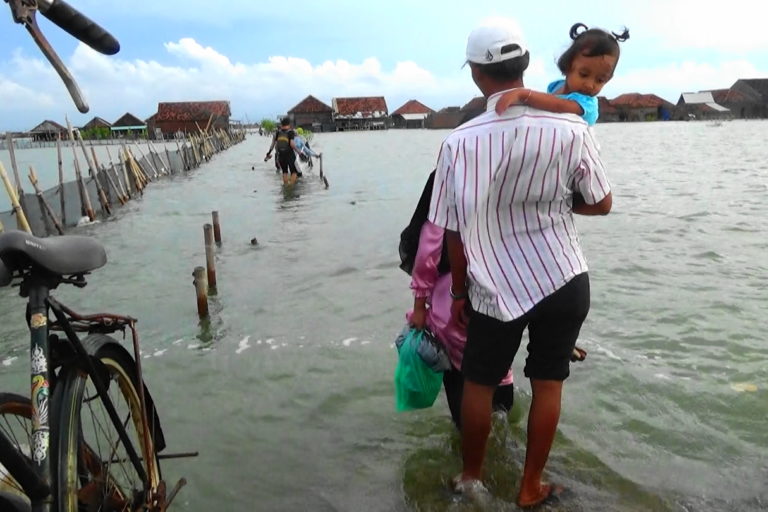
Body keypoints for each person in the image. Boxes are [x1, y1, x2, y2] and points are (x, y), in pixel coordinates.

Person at [428, 17, 611, 508]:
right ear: (527, 65)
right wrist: (551, 205)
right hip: (564, 278)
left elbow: (452, 232)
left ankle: (471, 477)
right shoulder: (573, 125)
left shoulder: (459, 142)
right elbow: (601, 202)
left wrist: (460, 292)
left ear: (475, 74)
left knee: (480, 383)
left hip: (495, 286)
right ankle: (530, 487)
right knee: (549, 381)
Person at [401, 170, 515, 429]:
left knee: (459, 375)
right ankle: (501, 429)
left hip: (450, 308)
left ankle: (467, 437)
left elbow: (425, 259)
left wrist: (419, 307)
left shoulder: (438, 216)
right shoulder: (493, 212)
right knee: (499, 370)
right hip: (496, 303)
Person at [494, 23, 629, 125]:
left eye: (600, 80)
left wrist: (522, 94)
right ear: (568, 65)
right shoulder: (556, 87)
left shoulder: (587, 105)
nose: (590, 85)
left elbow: (558, 105)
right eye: (583, 74)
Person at [264, 117, 300, 185]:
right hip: (289, 155)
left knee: (284, 172)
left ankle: (285, 186)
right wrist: (299, 152)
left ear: (281, 124)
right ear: (288, 124)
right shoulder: (291, 132)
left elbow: (273, 144)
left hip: (280, 155)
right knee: (294, 172)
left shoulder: (278, 132)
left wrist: (269, 152)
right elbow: (292, 144)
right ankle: (290, 187)